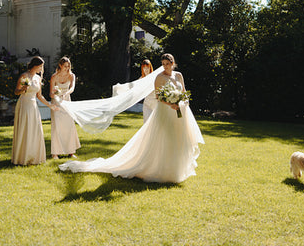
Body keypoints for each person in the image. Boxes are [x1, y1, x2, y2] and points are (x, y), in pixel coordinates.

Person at [59, 53, 204, 183]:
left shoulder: (178, 76)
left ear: (173, 64)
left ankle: (177, 170)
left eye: (168, 64)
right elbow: (159, 97)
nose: (166, 66)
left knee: (179, 139)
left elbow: (184, 92)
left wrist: (182, 102)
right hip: (166, 111)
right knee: (165, 138)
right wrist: (171, 104)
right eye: (164, 64)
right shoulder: (159, 77)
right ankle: (162, 170)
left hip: (181, 111)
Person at [11, 56, 57, 165]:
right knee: (24, 129)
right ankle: (21, 157)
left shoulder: (38, 78)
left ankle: (33, 156)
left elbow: (39, 96)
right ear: (35, 65)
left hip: (33, 106)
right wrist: (22, 89)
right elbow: (16, 92)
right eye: (40, 66)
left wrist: (50, 105)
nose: (42, 69)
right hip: (24, 104)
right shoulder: (24, 76)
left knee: (34, 130)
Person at [50, 56, 81, 159]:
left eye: (68, 66)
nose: (67, 68)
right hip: (56, 103)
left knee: (69, 125)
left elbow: (72, 88)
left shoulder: (71, 75)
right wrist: (54, 93)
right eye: (65, 66)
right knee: (56, 127)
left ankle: (71, 151)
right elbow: (50, 93)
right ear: (60, 65)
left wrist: (65, 93)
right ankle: (55, 153)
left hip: (67, 101)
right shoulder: (54, 76)